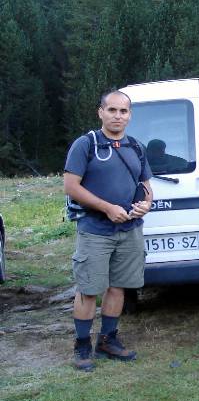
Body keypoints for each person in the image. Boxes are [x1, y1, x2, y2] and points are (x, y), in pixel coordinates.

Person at [63, 90, 153, 371]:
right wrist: (107, 208)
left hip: (129, 229)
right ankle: (82, 346)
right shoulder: (85, 145)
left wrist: (146, 205)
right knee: (89, 289)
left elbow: (146, 186)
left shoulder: (136, 147)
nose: (117, 116)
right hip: (95, 230)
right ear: (100, 112)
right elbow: (71, 187)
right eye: (112, 110)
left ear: (130, 115)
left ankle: (107, 340)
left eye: (123, 111)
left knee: (118, 287)